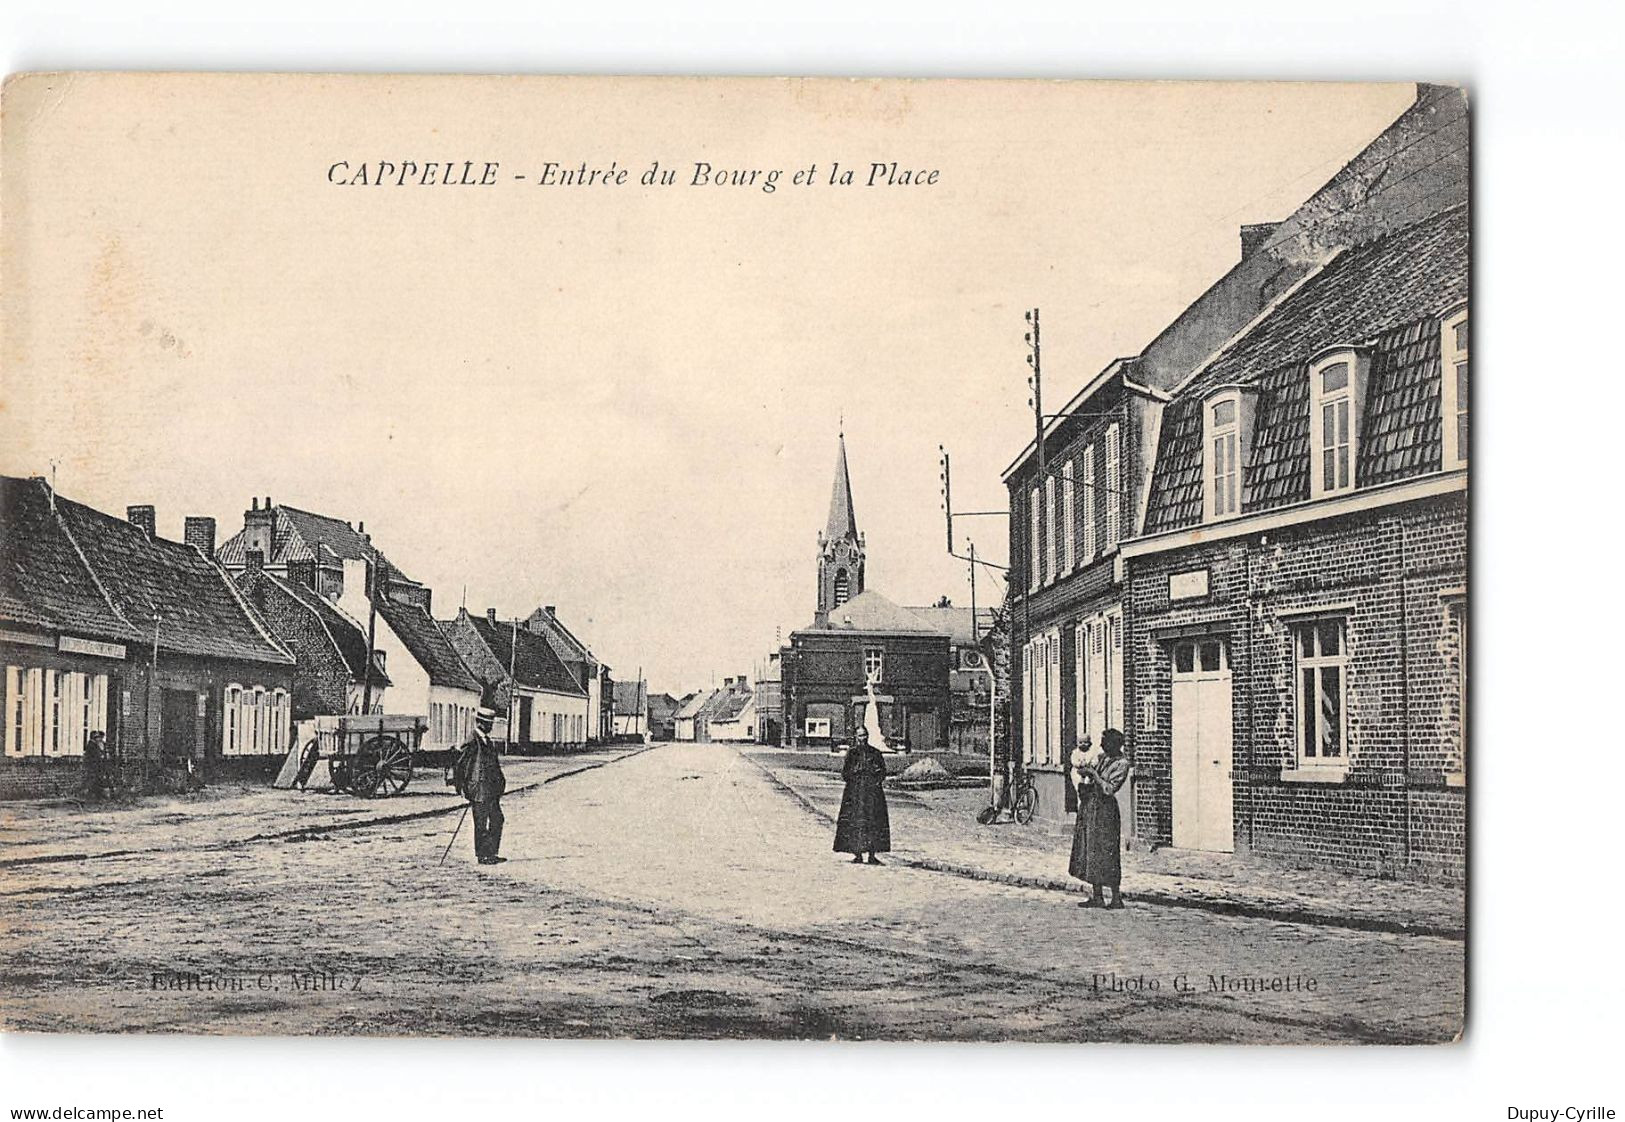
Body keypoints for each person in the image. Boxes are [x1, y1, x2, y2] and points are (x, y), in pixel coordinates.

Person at [1069, 727, 1130, 909]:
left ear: (1114, 744)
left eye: (1105, 742)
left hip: (1106, 811)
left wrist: (1094, 775)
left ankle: (1116, 898)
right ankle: (1097, 896)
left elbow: (1109, 789)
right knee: (1091, 851)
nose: (1101, 745)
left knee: (1108, 852)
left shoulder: (1122, 764)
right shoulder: (1102, 758)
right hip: (1091, 807)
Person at [453, 707, 507, 865]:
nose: (491, 727)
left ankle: (491, 853)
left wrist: (500, 782)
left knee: (497, 819)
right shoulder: (472, 739)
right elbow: (460, 763)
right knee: (481, 823)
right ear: (482, 724)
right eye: (489, 724)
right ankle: (483, 855)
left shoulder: (487, 740)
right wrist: (462, 786)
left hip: (491, 790)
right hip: (479, 789)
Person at [834, 726, 890, 865]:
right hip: (855, 794)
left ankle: (872, 854)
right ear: (855, 737)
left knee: (873, 822)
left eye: (864, 735)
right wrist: (855, 779)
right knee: (856, 823)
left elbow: (882, 771)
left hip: (872, 794)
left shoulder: (875, 753)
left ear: (868, 736)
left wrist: (875, 780)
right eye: (860, 736)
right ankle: (857, 854)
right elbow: (845, 773)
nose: (862, 738)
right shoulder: (852, 754)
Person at [83, 730, 112, 799]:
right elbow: (92, 755)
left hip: (100, 765)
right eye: (97, 737)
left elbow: (104, 753)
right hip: (94, 765)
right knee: (93, 779)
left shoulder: (101, 744)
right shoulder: (92, 744)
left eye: (100, 737)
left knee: (101, 779)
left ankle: (101, 795)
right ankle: (91, 795)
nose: (99, 739)